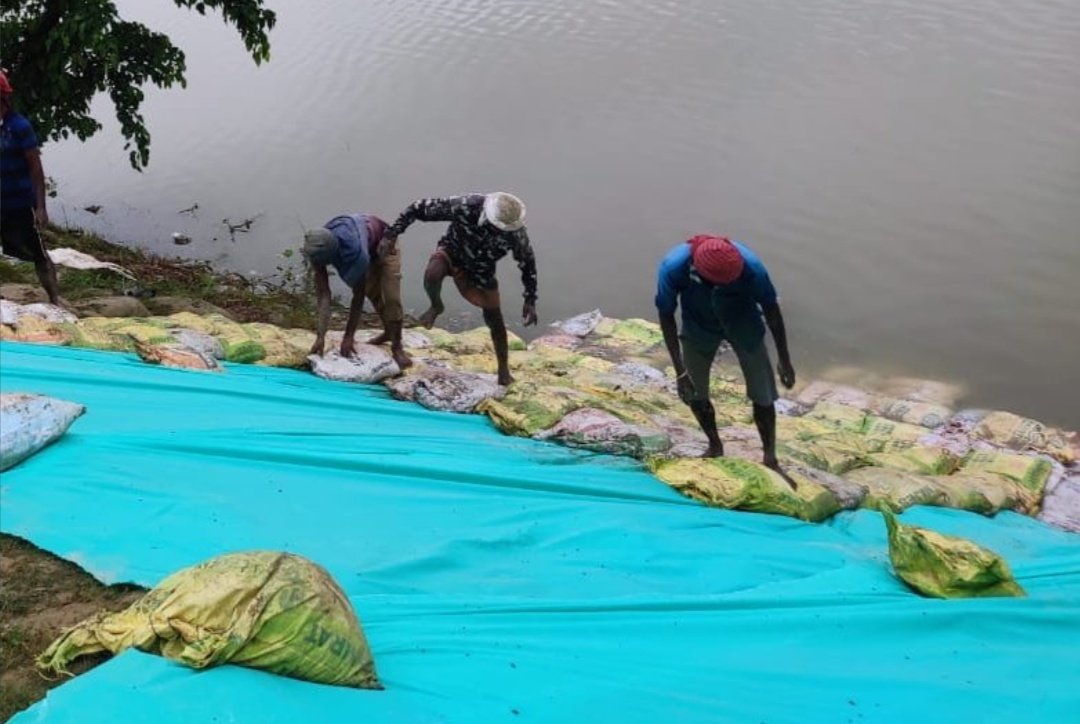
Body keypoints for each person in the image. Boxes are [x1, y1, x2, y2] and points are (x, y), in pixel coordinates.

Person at [655, 234, 795, 475]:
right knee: (694, 391)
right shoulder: (674, 267)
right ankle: (714, 445)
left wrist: (784, 359)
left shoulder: (752, 268)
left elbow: (771, 310)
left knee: (764, 392)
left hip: (743, 322)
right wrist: (680, 370)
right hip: (699, 325)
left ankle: (770, 458)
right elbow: (666, 313)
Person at [381, 192, 538, 385]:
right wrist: (392, 233)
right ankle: (436, 306)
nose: (497, 232)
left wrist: (530, 299)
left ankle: (503, 370)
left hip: (481, 269)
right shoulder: (466, 205)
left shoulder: (515, 233)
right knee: (433, 273)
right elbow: (418, 207)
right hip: (452, 251)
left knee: (495, 320)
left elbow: (527, 263)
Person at [302, 213, 412, 369]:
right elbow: (324, 295)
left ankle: (397, 347)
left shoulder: (355, 253)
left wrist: (349, 337)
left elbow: (358, 296)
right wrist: (320, 337)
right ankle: (389, 331)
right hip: (368, 243)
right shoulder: (318, 247)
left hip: (385, 243)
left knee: (391, 297)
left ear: (333, 254)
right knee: (373, 293)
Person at [0, 70, 60, 305]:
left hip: (19, 203)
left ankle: (54, 298)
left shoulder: (19, 126)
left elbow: (35, 168)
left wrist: (41, 207)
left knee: (39, 254)